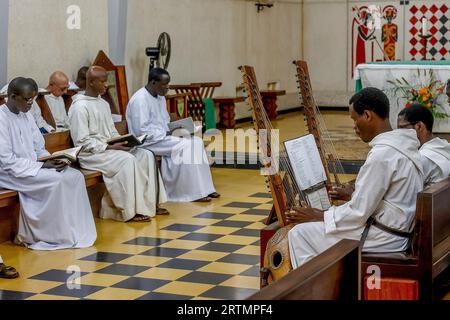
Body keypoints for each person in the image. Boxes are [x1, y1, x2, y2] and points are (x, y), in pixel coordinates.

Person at [287, 87, 424, 268]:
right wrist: (353, 195)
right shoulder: (404, 145)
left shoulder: (383, 155)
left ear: (367, 115)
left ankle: (314, 291)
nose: (354, 127)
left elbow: (358, 213)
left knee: (299, 234)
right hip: (398, 232)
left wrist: (319, 215)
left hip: (382, 238)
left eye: (354, 119)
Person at [0, 77, 96, 250]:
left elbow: (39, 147)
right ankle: (46, 234)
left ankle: (75, 230)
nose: (31, 103)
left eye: (33, 98)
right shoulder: (1, 119)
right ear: (13, 96)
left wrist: (52, 159)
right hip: (10, 173)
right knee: (57, 180)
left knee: (74, 176)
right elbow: (6, 161)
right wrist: (42, 165)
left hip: (33, 167)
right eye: (27, 99)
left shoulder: (26, 115)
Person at [68, 66, 167, 222]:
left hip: (109, 149)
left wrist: (123, 141)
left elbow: (111, 132)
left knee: (145, 155)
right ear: (91, 82)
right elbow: (81, 142)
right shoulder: (79, 107)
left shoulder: (103, 104)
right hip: (91, 154)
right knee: (127, 160)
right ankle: (128, 211)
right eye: (102, 81)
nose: (106, 85)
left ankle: (150, 204)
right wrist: (109, 146)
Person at [126, 68, 219, 203]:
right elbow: (142, 131)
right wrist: (168, 132)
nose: (167, 88)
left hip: (163, 137)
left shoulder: (160, 97)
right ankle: (188, 193)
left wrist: (177, 129)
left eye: (168, 84)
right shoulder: (140, 100)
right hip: (147, 142)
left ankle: (205, 189)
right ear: (153, 82)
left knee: (196, 141)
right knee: (187, 146)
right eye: (164, 84)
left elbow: (165, 120)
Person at [398, 103, 450, 188]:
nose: (398, 134)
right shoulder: (444, 145)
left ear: (419, 126)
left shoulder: (421, 158)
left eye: (401, 128)